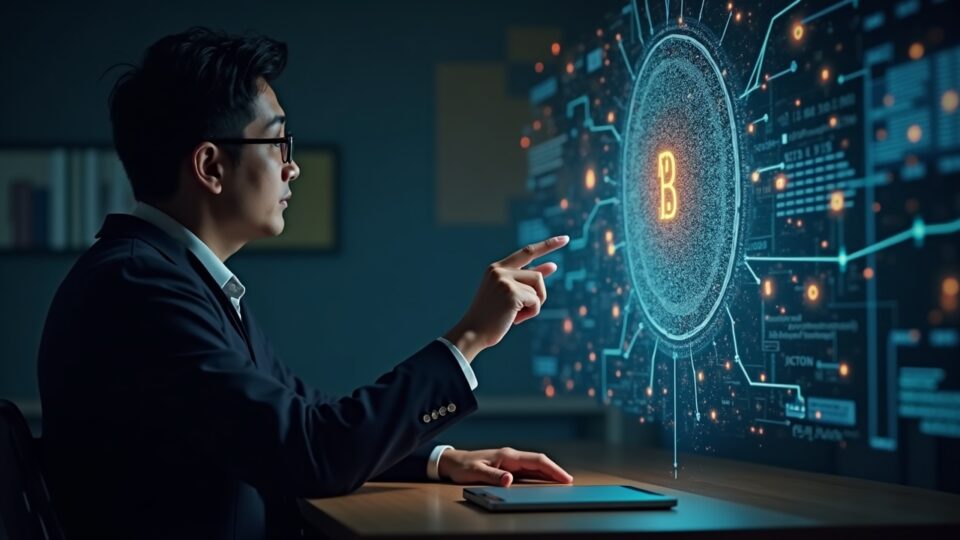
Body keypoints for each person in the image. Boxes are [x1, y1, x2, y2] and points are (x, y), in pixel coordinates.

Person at [37, 27, 573, 539]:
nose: (292, 169)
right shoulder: (141, 288)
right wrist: (471, 337)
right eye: (277, 144)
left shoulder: (170, 276)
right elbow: (311, 452)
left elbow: (305, 419)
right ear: (210, 166)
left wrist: (440, 459)